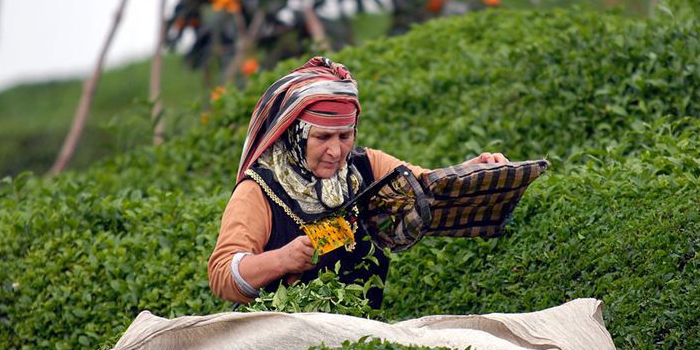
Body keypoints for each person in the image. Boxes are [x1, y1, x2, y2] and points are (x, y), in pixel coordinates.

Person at [208, 56, 507, 308]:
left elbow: (426, 187)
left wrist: (473, 170)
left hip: (358, 334)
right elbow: (222, 274)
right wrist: (282, 259)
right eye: (322, 137)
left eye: (345, 136)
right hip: (280, 337)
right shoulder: (258, 190)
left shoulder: (367, 167)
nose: (336, 150)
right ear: (294, 135)